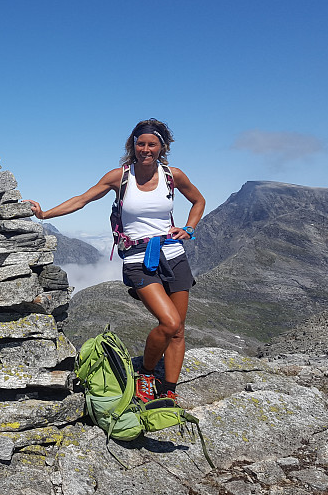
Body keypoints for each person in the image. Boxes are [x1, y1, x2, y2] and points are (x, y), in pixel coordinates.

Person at [24, 118, 205, 403]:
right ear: (133, 145)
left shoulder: (173, 175)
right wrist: (45, 214)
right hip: (137, 257)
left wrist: (189, 228)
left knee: (179, 331)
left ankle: (169, 391)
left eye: (152, 144)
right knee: (169, 323)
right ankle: (146, 374)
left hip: (173, 254)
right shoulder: (120, 176)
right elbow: (82, 199)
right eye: (141, 143)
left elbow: (198, 201)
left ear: (162, 147)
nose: (146, 149)